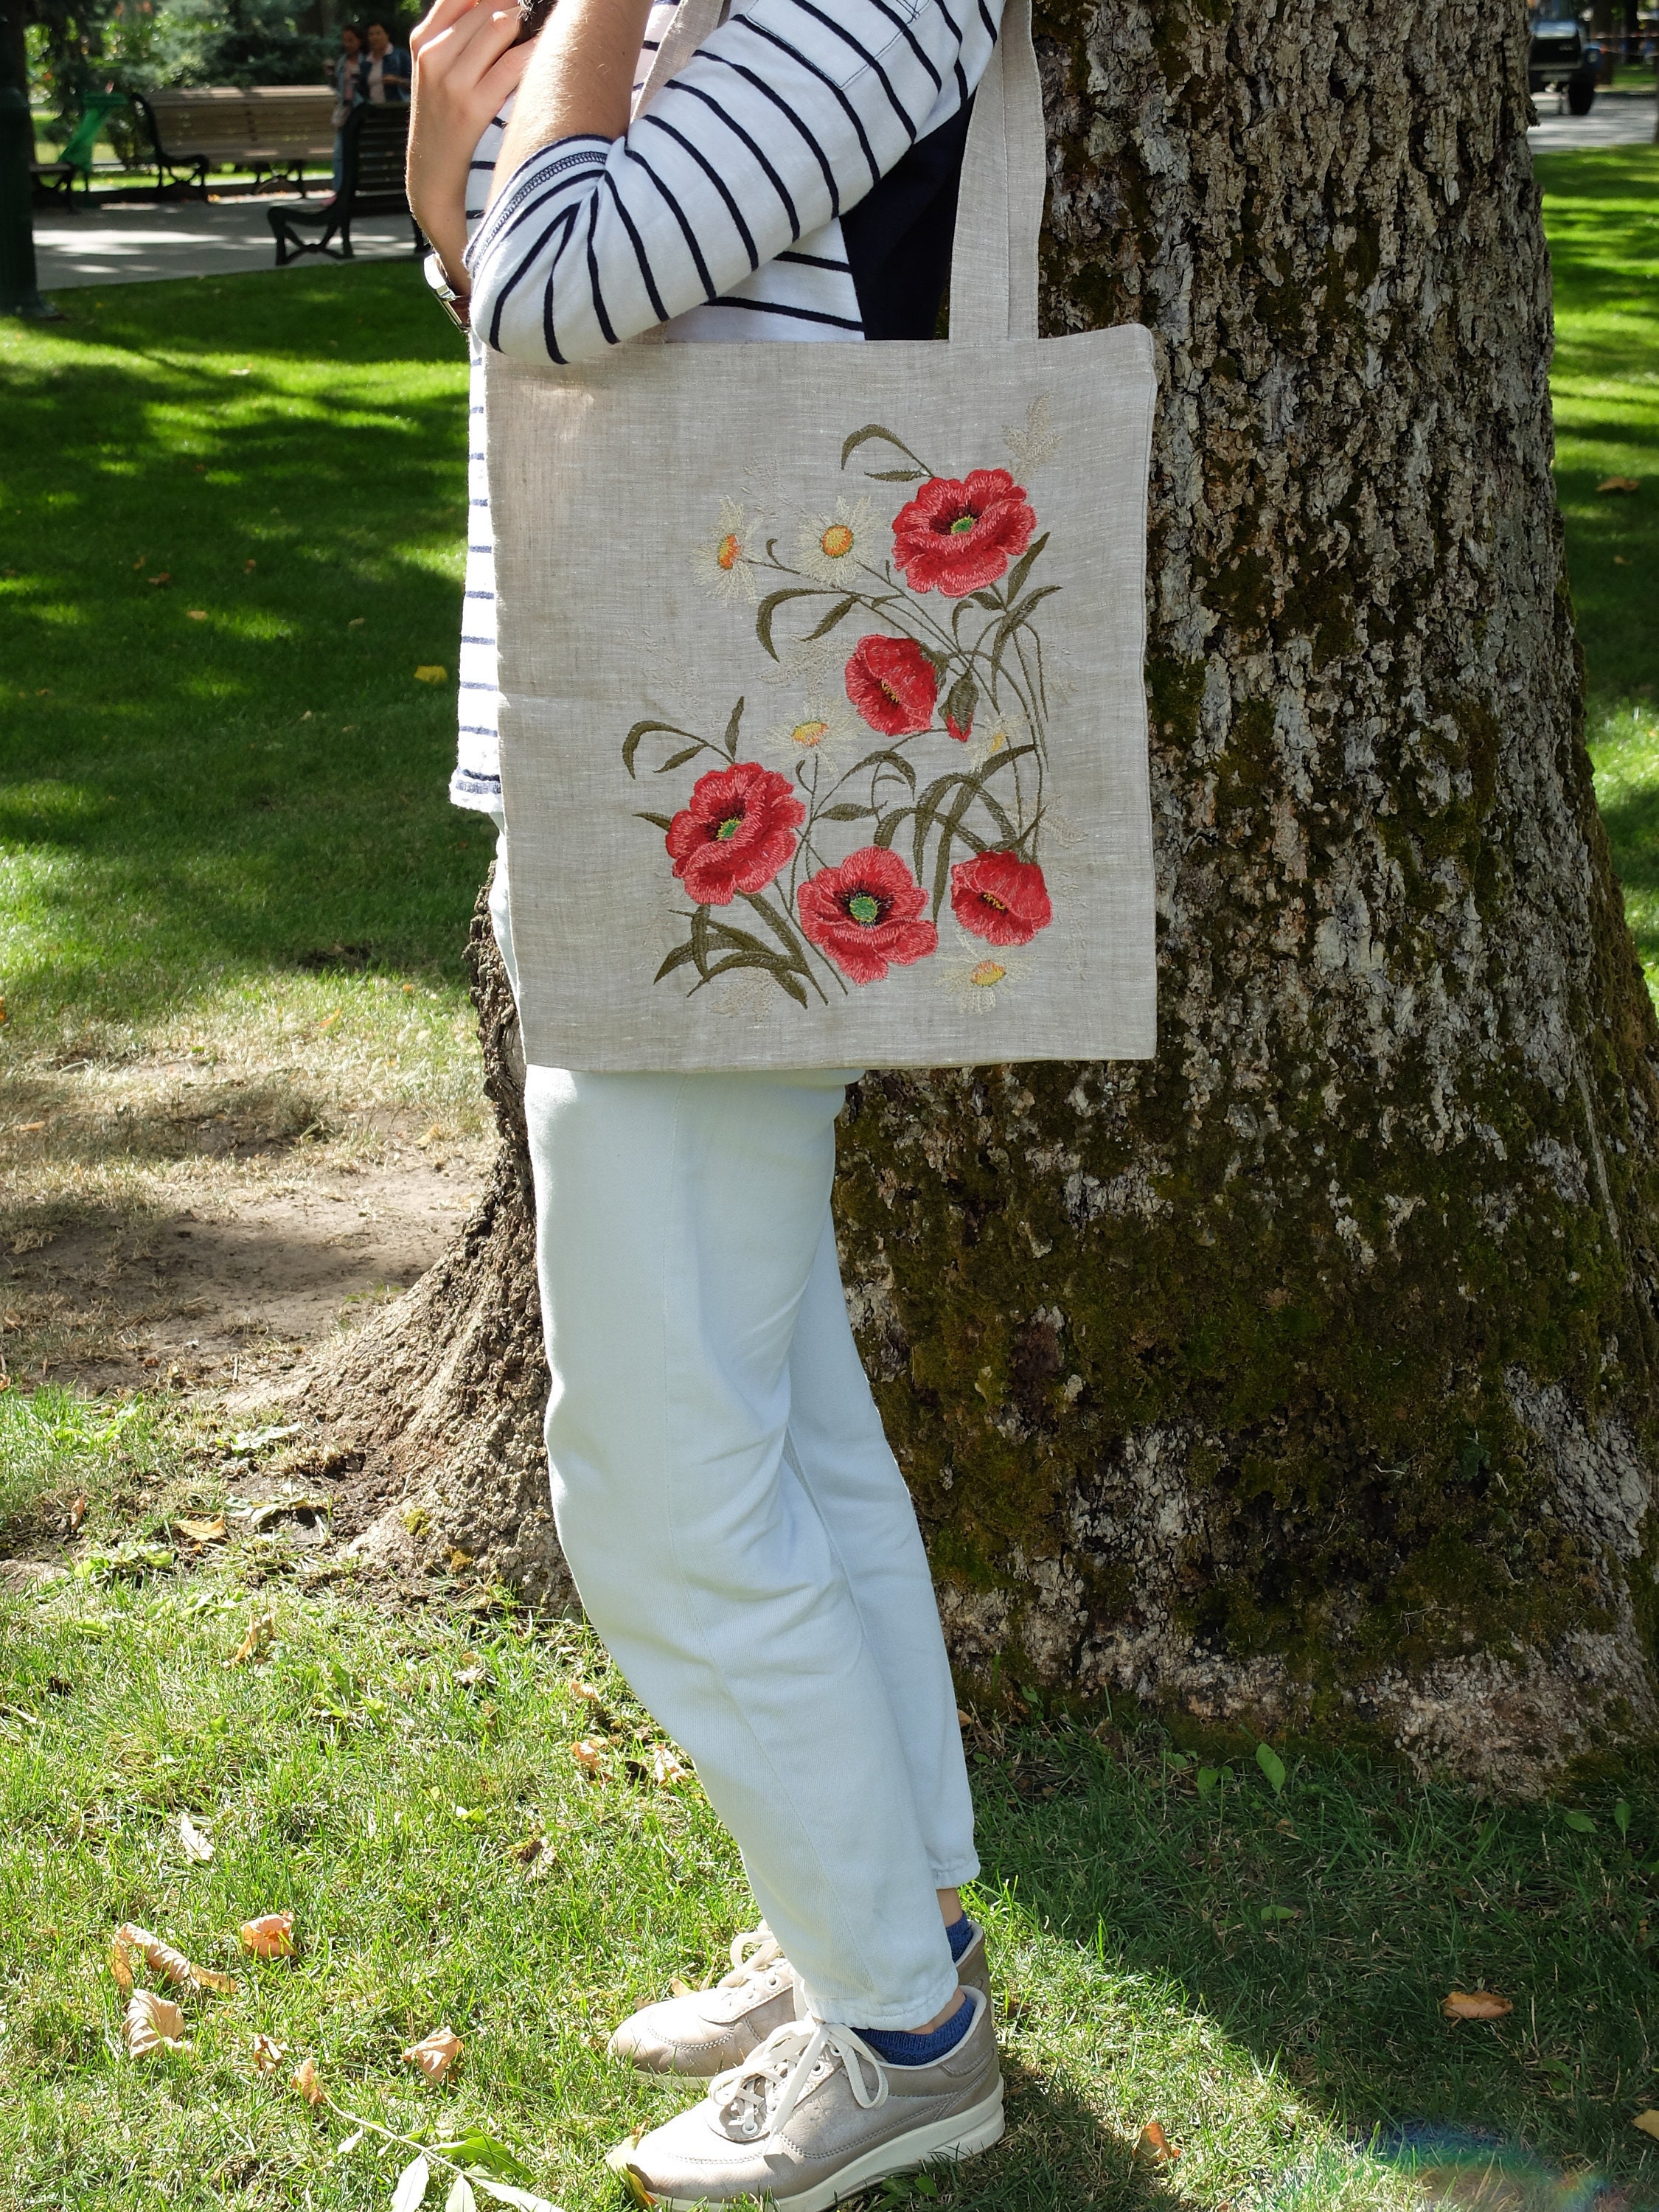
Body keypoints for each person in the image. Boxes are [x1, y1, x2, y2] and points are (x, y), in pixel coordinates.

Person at [406, 0, 1007, 2199]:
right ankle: (880, 1930)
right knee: (781, 1417)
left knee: (656, 1476)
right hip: (665, 759)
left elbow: (568, 287)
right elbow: (543, 293)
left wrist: (557, 46)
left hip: (744, 797)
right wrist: (440, 189)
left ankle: (904, 2041)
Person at [328, 21, 364, 192]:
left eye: (351, 40)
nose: (347, 44)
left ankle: (363, 188)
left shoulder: (367, 61)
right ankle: (339, 190)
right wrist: (331, 76)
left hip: (360, 109)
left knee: (363, 150)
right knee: (339, 153)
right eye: (345, 40)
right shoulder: (342, 62)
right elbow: (338, 88)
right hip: (345, 110)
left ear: (359, 41)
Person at [361, 16, 411, 104]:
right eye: (371, 34)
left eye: (378, 33)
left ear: (387, 35)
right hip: (374, 111)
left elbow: (415, 83)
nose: (375, 38)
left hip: (397, 108)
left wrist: (398, 80)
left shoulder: (400, 56)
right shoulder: (366, 62)